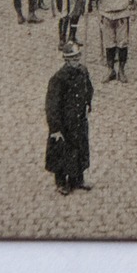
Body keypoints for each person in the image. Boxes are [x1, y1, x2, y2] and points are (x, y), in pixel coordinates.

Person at [44, 40, 95, 195]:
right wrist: (55, 128)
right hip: (65, 122)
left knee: (80, 148)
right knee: (62, 151)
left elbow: (89, 89)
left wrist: (88, 103)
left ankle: (77, 179)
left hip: (79, 120)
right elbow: (52, 105)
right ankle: (61, 182)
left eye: (77, 58)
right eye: (72, 59)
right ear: (66, 60)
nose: (76, 61)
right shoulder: (58, 78)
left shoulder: (83, 72)